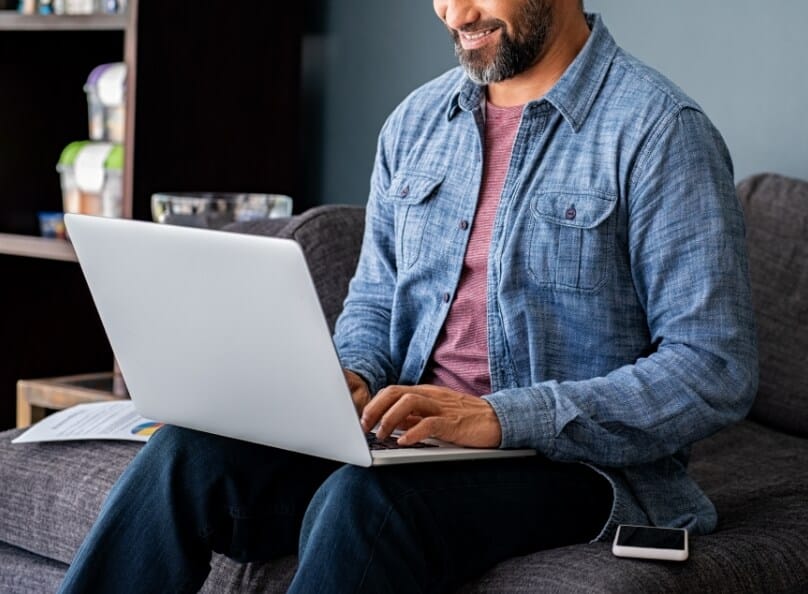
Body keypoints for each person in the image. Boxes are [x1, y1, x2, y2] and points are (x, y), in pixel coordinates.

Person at [58, 1, 758, 592]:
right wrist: (349, 377)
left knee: (368, 503)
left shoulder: (660, 131)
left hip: (575, 465)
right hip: (413, 440)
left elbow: (713, 368)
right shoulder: (417, 123)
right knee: (188, 453)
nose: (455, 15)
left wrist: (499, 417)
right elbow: (374, 305)